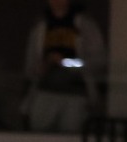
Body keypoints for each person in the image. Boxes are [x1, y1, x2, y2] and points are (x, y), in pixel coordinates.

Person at [21, 0, 105, 134]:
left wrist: (65, 62)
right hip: (45, 92)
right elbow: (30, 66)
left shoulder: (84, 25)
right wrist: (44, 65)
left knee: (70, 141)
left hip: (75, 95)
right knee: (39, 138)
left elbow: (97, 62)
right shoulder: (40, 27)